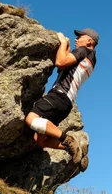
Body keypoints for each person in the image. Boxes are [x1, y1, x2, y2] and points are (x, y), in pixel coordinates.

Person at [24, 28, 99, 166]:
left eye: (80, 36)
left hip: (59, 95)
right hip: (66, 103)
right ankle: (74, 150)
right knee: (40, 141)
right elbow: (63, 68)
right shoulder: (91, 59)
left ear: (89, 41)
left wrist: (63, 42)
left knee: (31, 119)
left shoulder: (83, 50)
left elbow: (60, 62)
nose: (76, 39)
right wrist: (68, 48)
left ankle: (68, 140)